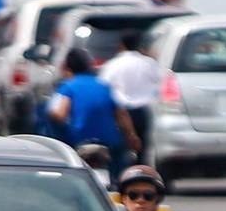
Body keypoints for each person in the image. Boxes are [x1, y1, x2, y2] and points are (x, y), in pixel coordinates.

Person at [47, 47, 140, 176]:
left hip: (77, 141)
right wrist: (132, 137)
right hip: (108, 143)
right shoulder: (104, 86)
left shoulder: (67, 87)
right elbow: (121, 114)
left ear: (67, 68)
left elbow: (59, 114)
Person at [100, 30, 164, 161]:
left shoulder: (112, 64)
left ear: (121, 45)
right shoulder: (148, 63)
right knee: (142, 149)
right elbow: (160, 82)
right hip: (142, 111)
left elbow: (103, 86)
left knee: (121, 149)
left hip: (120, 112)